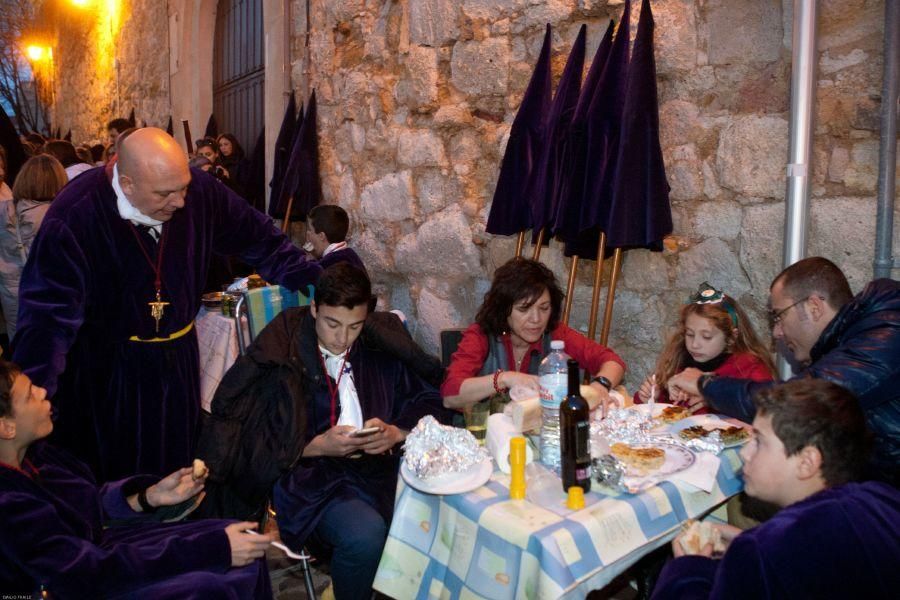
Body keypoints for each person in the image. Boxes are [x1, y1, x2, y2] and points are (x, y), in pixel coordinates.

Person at [12, 127, 321, 483]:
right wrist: (28, 408)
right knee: (115, 482)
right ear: (127, 184)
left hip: (177, 368)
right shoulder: (75, 215)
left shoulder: (200, 194)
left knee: (177, 473)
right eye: (165, 193)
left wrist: (316, 279)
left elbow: (260, 239)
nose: (180, 202)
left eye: (184, 187)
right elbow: (45, 322)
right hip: (108, 377)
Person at [215, 263, 448, 600]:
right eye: (332, 324)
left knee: (445, 512)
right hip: (311, 478)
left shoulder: (380, 345)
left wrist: (396, 432)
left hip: (380, 469)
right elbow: (252, 433)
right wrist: (314, 446)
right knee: (364, 534)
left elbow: (428, 397)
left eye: (355, 326)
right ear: (314, 309)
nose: (342, 338)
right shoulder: (284, 350)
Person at [0, 359, 274, 599]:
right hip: (77, 584)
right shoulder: (8, 505)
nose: (43, 391)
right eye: (29, 396)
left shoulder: (36, 457)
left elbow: (87, 507)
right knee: (210, 586)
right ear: (6, 427)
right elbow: (85, 574)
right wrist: (213, 550)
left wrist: (147, 497)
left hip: (100, 552)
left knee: (245, 539)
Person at [652, 379, 900, 599]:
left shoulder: (762, 551)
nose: (744, 453)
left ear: (806, 462)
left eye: (759, 442)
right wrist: (742, 540)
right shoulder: (881, 497)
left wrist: (687, 568)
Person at [668, 257, 900, 485]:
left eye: (779, 315)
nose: (777, 332)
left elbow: (800, 402)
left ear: (814, 307)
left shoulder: (886, 334)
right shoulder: (855, 336)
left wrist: (705, 385)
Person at [442, 257, 626, 411]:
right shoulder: (480, 336)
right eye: (524, 309)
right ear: (504, 309)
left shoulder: (555, 333)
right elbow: (450, 396)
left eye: (544, 308)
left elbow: (612, 361)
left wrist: (600, 385)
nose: (536, 319)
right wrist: (506, 378)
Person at [634, 282, 774, 411]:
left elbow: (767, 411)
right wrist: (653, 398)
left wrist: (715, 398)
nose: (694, 344)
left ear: (731, 337)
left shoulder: (749, 368)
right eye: (689, 334)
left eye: (706, 337)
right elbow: (667, 410)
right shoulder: (680, 362)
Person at [0, 155, 67, 339]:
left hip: (13, 298)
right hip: (53, 297)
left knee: (21, 351)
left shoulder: (3, 211)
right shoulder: (62, 216)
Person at [305, 204, 367, 273]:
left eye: (310, 230)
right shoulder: (350, 255)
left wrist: (309, 262)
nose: (308, 234)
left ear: (321, 236)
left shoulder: (327, 265)